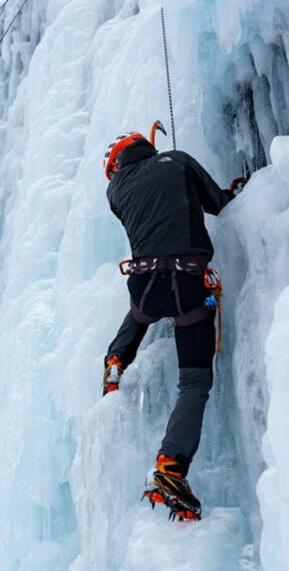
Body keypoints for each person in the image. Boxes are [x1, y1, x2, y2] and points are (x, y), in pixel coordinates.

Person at [101, 128, 244, 521]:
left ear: (115, 165)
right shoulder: (177, 160)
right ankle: (169, 467)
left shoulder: (115, 193)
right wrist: (234, 191)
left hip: (145, 286)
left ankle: (116, 359)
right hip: (187, 283)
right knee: (194, 382)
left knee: (140, 311)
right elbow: (216, 202)